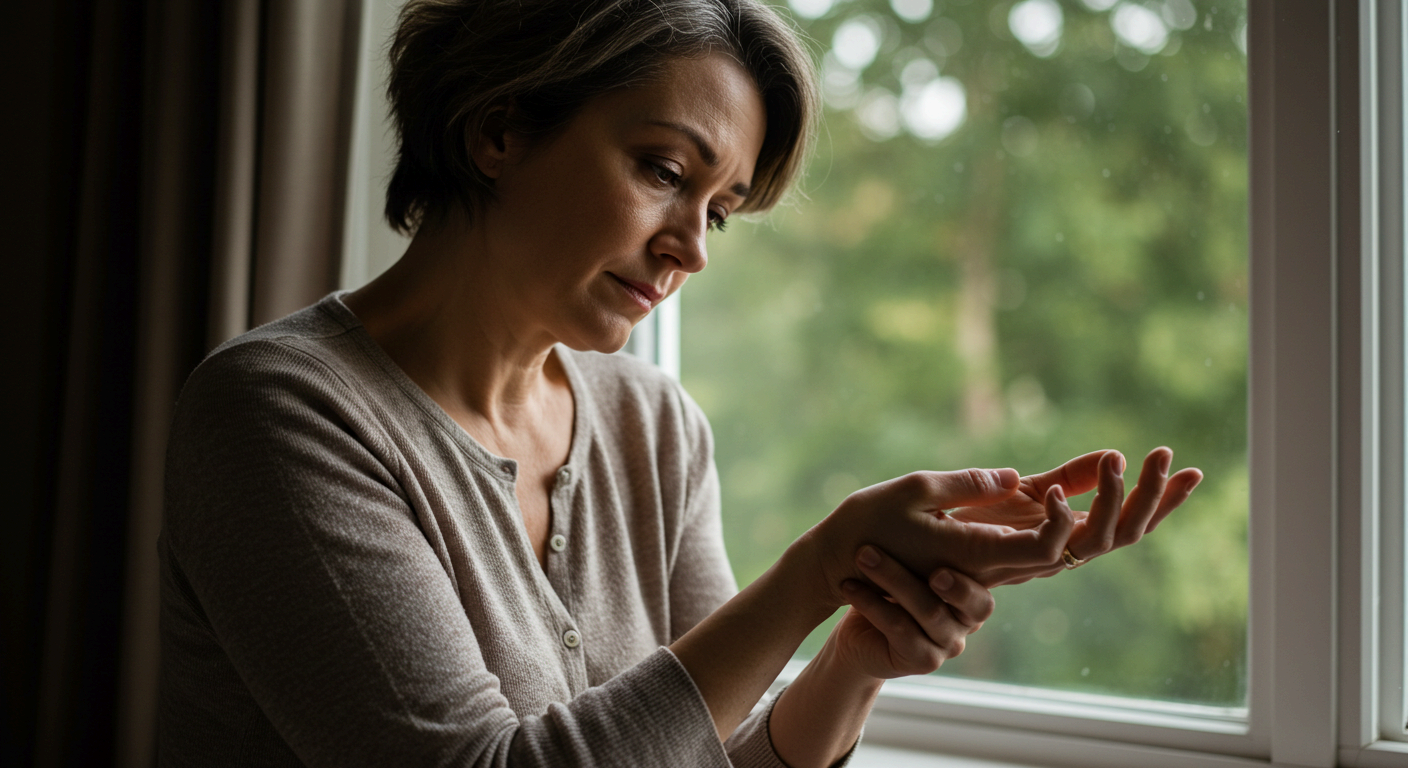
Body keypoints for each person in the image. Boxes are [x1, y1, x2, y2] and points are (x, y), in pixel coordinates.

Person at [157, 1, 1204, 766]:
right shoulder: (277, 412)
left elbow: (719, 757)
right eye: (664, 171)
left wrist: (857, 648)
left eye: (718, 209)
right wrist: (811, 568)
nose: (689, 250)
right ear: (498, 131)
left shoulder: (652, 425)